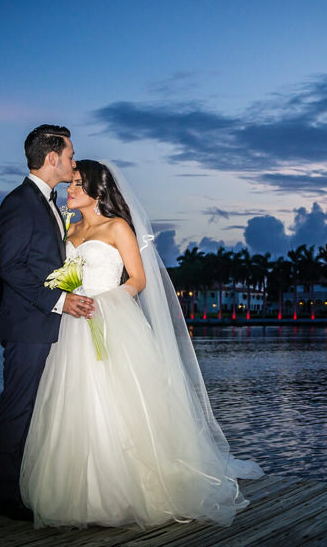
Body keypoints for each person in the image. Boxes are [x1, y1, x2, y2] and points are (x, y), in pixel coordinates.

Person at [20, 160, 263, 529]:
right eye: (70, 184)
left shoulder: (118, 227)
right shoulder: (71, 226)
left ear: (96, 192)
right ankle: (83, 494)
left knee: (118, 400)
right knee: (76, 401)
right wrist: (67, 294)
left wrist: (107, 302)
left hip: (110, 319)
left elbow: (138, 279)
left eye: (77, 184)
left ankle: (129, 488)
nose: (68, 190)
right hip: (72, 326)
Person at [0, 125, 95, 521]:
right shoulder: (19, 203)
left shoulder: (50, 203)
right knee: (18, 407)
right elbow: (12, 268)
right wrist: (60, 301)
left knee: (43, 410)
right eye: (70, 155)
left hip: (52, 325)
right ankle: (6, 494)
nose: (73, 161)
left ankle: (32, 484)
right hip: (28, 326)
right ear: (51, 158)